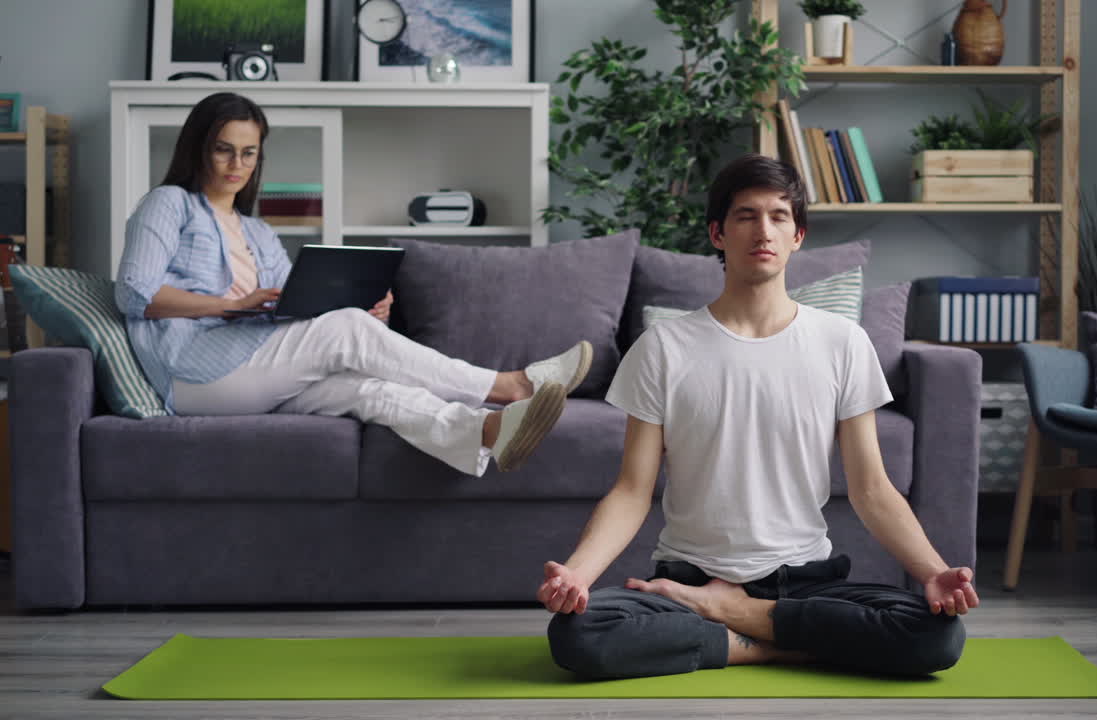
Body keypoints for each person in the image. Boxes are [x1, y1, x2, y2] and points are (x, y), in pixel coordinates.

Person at [537, 153, 980, 679]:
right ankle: (781, 642)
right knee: (577, 636)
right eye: (746, 216)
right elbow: (633, 491)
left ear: (798, 235)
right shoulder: (664, 347)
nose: (762, 230)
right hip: (690, 583)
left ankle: (739, 621)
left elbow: (872, 490)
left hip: (806, 584)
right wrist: (579, 576)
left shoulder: (842, 343)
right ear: (718, 234)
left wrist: (932, 572)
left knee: (939, 634)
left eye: (778, 216)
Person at [116, 92, 589, 475]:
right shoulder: (169, 203)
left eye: (249, 152)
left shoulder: (258, 231)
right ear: (199, 147)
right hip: (196, 374)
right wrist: (230, 305)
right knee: (344, 331)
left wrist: (360, 310)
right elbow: (135, 293)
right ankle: (507, 385)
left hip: (257, 371)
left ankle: (487, 430)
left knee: (366, 388)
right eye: (223, 148)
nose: (236, 163)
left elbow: (293, 306)